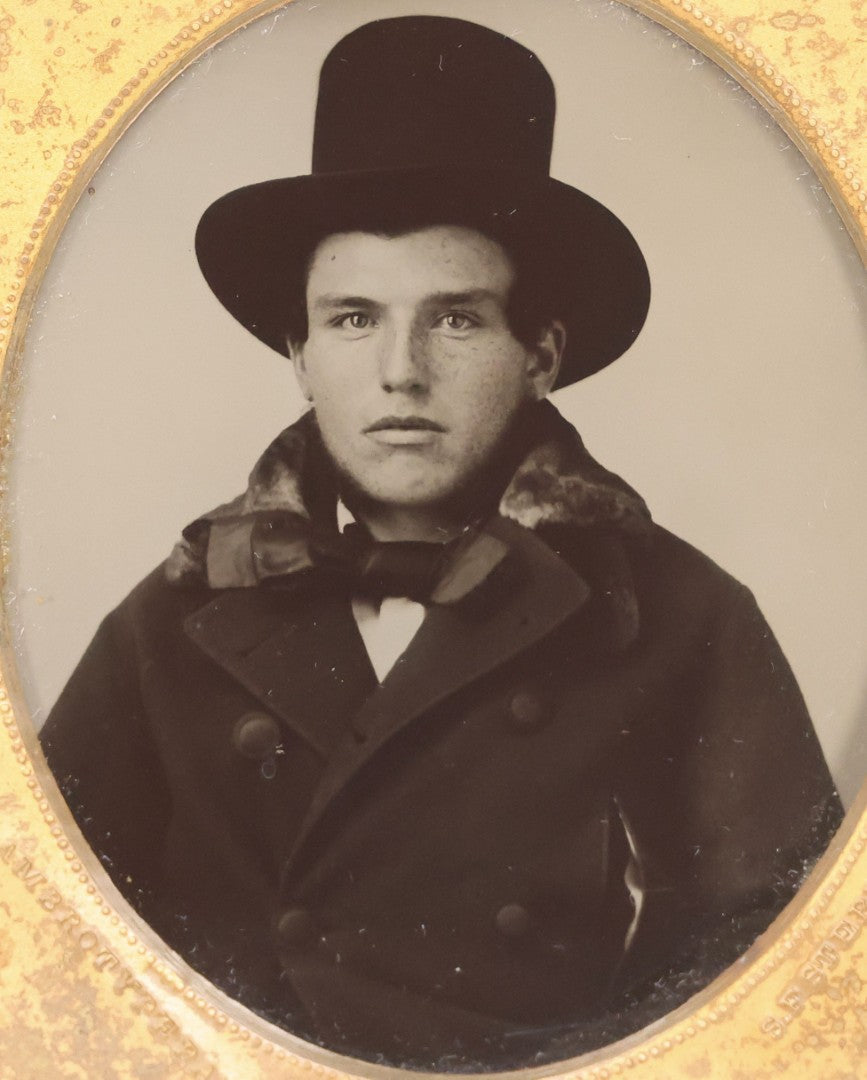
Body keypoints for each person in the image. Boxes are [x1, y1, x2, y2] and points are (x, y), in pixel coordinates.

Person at [40, 15, 842, 1071]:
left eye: (456, 319)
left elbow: (782, 969)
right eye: (355, 318)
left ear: (541, 354)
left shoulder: (679, 618)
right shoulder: (183, 614)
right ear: (301, 352)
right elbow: (44, 933)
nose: (401, 374)